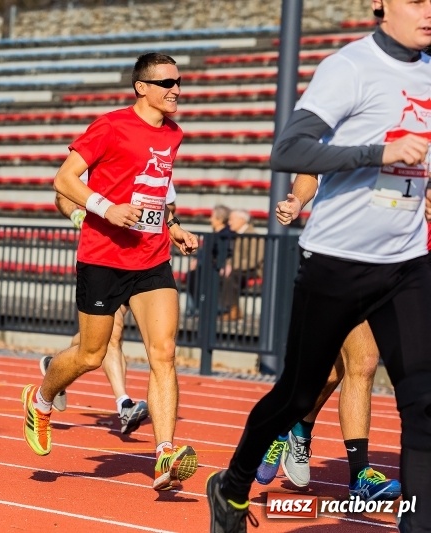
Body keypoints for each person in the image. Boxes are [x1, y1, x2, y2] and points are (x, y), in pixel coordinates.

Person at [206, 1, 431, 531]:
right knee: (297, 395)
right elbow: (287, 150)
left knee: (423, 400)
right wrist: (378, 153)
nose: (429, 10)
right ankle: (233, 485)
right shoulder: (350, 66)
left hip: (407, 262)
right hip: (337, 261)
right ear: (380, 4)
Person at [21, 52, 200, 492]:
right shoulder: (111, 126)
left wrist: (173, 226)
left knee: (164, 353)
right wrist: (105, 208)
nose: (176, 89)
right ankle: (41, 399)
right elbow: (64, 180)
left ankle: (164, 454)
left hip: (152, 258)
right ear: (142, 87)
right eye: (167, 83)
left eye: (179, 82)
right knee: (91, 354)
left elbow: (158, 188)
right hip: (103, 257)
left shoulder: (174, 133)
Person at [255, 173, 400, 501]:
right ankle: (360, 475)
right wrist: (298, 201)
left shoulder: (415, 142)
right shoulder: (338, 137)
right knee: (363, 362)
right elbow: (310, 172)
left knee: (333, 371)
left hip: (388, 257)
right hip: (336, 252)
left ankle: (291, 425)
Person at [38, 189, 175, 434]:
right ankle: (124, 403)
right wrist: (81, 215)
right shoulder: (101, 167)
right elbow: (62, 193)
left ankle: (57, 367)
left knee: (96, 342)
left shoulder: (162, 165)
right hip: (107, 259)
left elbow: (166, 204)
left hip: (145, 261)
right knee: (109, 334)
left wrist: (173, 226)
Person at [185, 204, 233, 316]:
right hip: (207, 265)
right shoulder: (215, 234)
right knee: (192, 275)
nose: (210, 219)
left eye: (212, 216)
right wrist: (197, 260)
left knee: (195, 275)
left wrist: (199, 261)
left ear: (220, 219)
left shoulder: (226, 235)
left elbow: (221, 253)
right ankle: (196, 307)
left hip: (215, 266)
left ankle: (201, 307)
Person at [218, 209, 264, 321]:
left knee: (232, 276)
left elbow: (253, 260)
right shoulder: (239, 235)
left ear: (242, 220)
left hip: (253, 270)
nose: (229, 223)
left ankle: (233, 309)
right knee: (223, 274)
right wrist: (227, 265)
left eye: (232, 219)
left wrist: (232, 266)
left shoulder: (253, 236)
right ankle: (225, 308)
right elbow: (233, 257)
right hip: (240, 268)